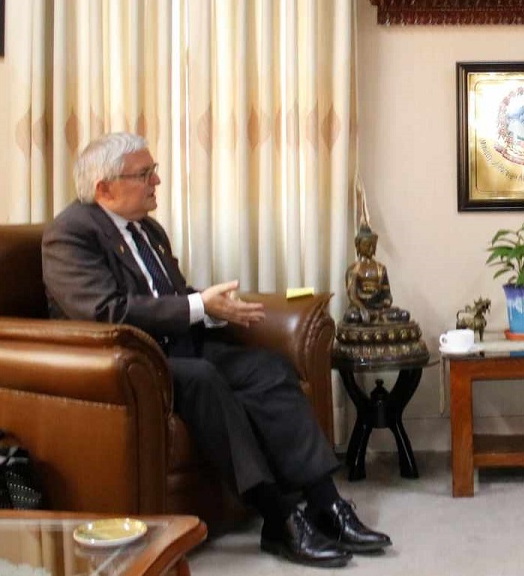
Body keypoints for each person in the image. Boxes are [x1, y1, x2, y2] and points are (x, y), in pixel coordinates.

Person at [42, 132, 392, 569]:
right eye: (145, 173)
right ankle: (278, 519)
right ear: (104, 188)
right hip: (133, 364)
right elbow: (105, 311)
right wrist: (196, 305)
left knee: (269, 370)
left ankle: (326, 504)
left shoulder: (147, 229)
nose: (158, 181)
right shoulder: (70, 234)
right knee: (204, 380)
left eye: (154, 170)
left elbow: (169, 293)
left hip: (181, 347)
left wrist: (214, 309)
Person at [343, 224, 409, 325]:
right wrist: (362, 309)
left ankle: (377, 319)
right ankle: (375, 319)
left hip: (379, 309)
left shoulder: (380, 268)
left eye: (372, 245)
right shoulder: (354, 269)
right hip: (361, 309)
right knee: (352, 317)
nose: (370, 248)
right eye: (366, 244)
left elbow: (386, 294)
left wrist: (386, 301)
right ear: (358, 246)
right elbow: (352, 296)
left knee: (404, 315)